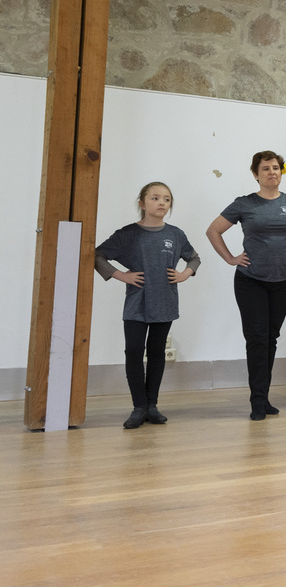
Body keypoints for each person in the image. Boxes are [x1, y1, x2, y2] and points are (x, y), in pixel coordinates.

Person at [206, 150, 286, 420]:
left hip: (284, 281)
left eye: (276, 168)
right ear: (256, 175)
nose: (272, 172)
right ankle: (257, 401)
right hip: (251, 282)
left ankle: (265, 396)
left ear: (282, 172)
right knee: (257, 339)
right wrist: (230, 258)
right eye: (266, 168)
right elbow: (214, 230)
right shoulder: (244, 204)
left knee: (271, 339)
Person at [95, 182, 200, 429]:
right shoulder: (128, 234)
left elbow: (194, 258)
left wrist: (185, 274)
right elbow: (97, 255)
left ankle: (152, 406)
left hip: (165, 301)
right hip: (136, 302)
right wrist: (121, 275)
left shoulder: (175, 234)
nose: (161, 203)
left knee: (156, 354)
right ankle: (138, 407)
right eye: (155, 198)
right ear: (142, 203)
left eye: (166, 199)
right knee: (133, 352)